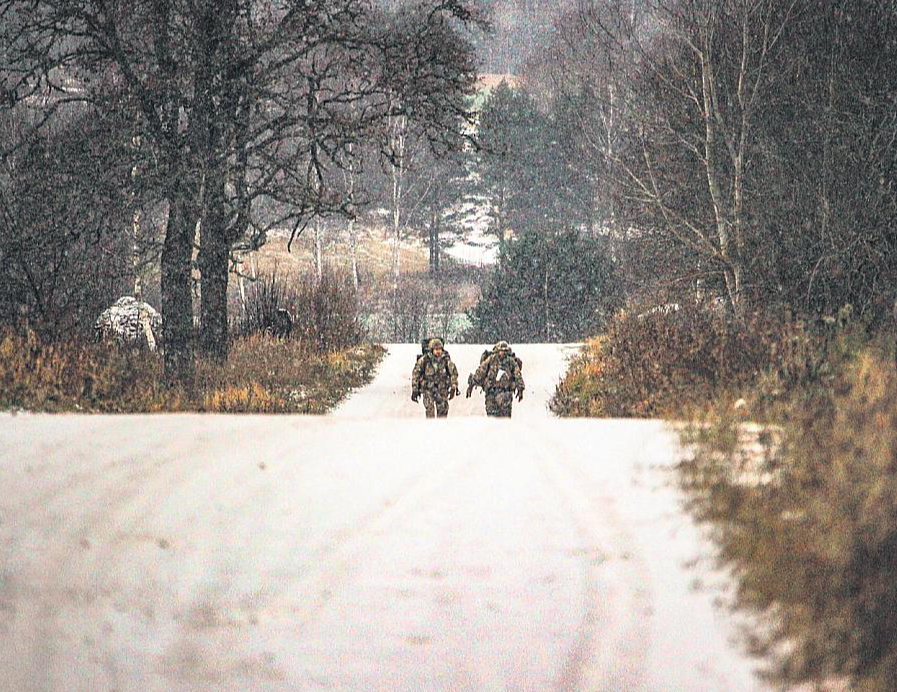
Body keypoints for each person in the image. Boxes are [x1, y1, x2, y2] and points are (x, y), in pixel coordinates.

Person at [467, 341, 525, 417]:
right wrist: (471, 384)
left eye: (504, 351)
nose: (502, 353)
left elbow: (517, 375)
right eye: (501, 351)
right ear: (497, 351)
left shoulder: (511, 362)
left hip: (505, 394)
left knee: (505, 420)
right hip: (491, 394)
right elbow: (481, 372)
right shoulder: (491, 359)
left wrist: (520, 389)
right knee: (492, 420)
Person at [411, 338, 460, 418]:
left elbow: (454, 373)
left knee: (443, 413)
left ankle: (441, 429)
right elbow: (416, 374)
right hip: (428, 389)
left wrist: (453, 387)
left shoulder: (446, 360)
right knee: (430, 411)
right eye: (436, 349)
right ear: (431, 350)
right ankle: (431, 429)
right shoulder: (424, 360)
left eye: (440, 349)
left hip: (442, 390)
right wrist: (415, 389)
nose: (438, 351)